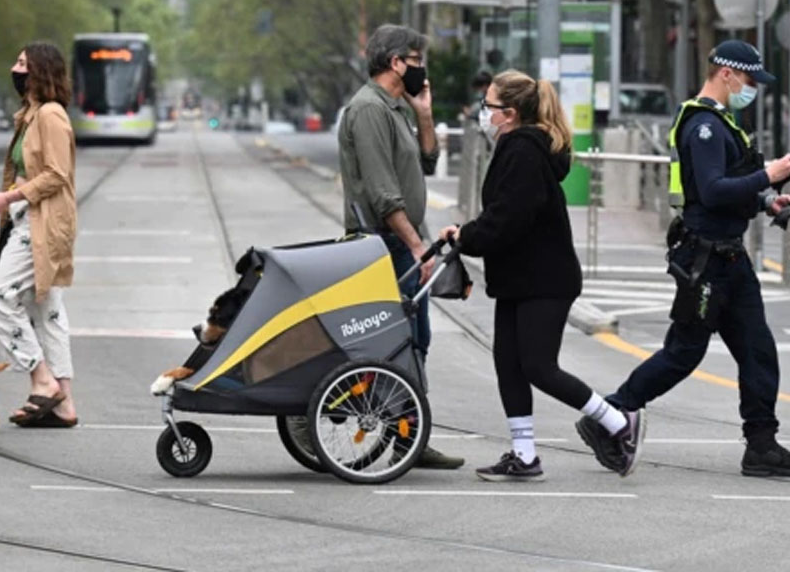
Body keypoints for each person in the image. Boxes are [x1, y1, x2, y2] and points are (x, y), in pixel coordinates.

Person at [576, 40, 790, 477]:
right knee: (683, 352)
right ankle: (609, 414)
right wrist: (770, 173)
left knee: (758, 351)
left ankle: (762, 445)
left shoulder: (724, 124)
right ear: (727, 74)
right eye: (750, 79)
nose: (753, 89)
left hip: (731, 256)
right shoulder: (704, 126)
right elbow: (711, 191)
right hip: (707, 260)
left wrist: (767, 200)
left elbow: (732, 185)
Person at [439, 70, 644, 481]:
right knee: (508, 364)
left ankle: (618, 422)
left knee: (537, 366)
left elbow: (510, 216)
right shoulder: (519, 146)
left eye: (490, 106)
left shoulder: (523, 150)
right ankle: (524, 453)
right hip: (522, 277)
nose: (484, 113)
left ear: (510, 113)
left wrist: (469, 235)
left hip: (544, 279)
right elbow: (508, 212)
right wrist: (469, 232)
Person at [338, 23, 463, 470]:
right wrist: (414, 245)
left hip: (402, 238)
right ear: (395, 63)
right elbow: (382, 191)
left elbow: (426, 163)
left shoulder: (396, 109)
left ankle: (409, 435)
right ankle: (404, 433)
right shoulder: (369, 110)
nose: (421, 68)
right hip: (386, 242)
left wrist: (425, 115)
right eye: (415, 60)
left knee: (415, 338)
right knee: (400, 341)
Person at [0, 41, 79, 428]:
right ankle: (64, 405)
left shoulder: (52, 116)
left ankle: (43, 381)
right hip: (26, 217)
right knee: (47, 311)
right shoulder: (31, 114)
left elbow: (56, 174)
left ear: (39, 71)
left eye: (22, 63)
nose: (14, 68)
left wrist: (8, 195)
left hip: (43, 222)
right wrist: (8, 202)